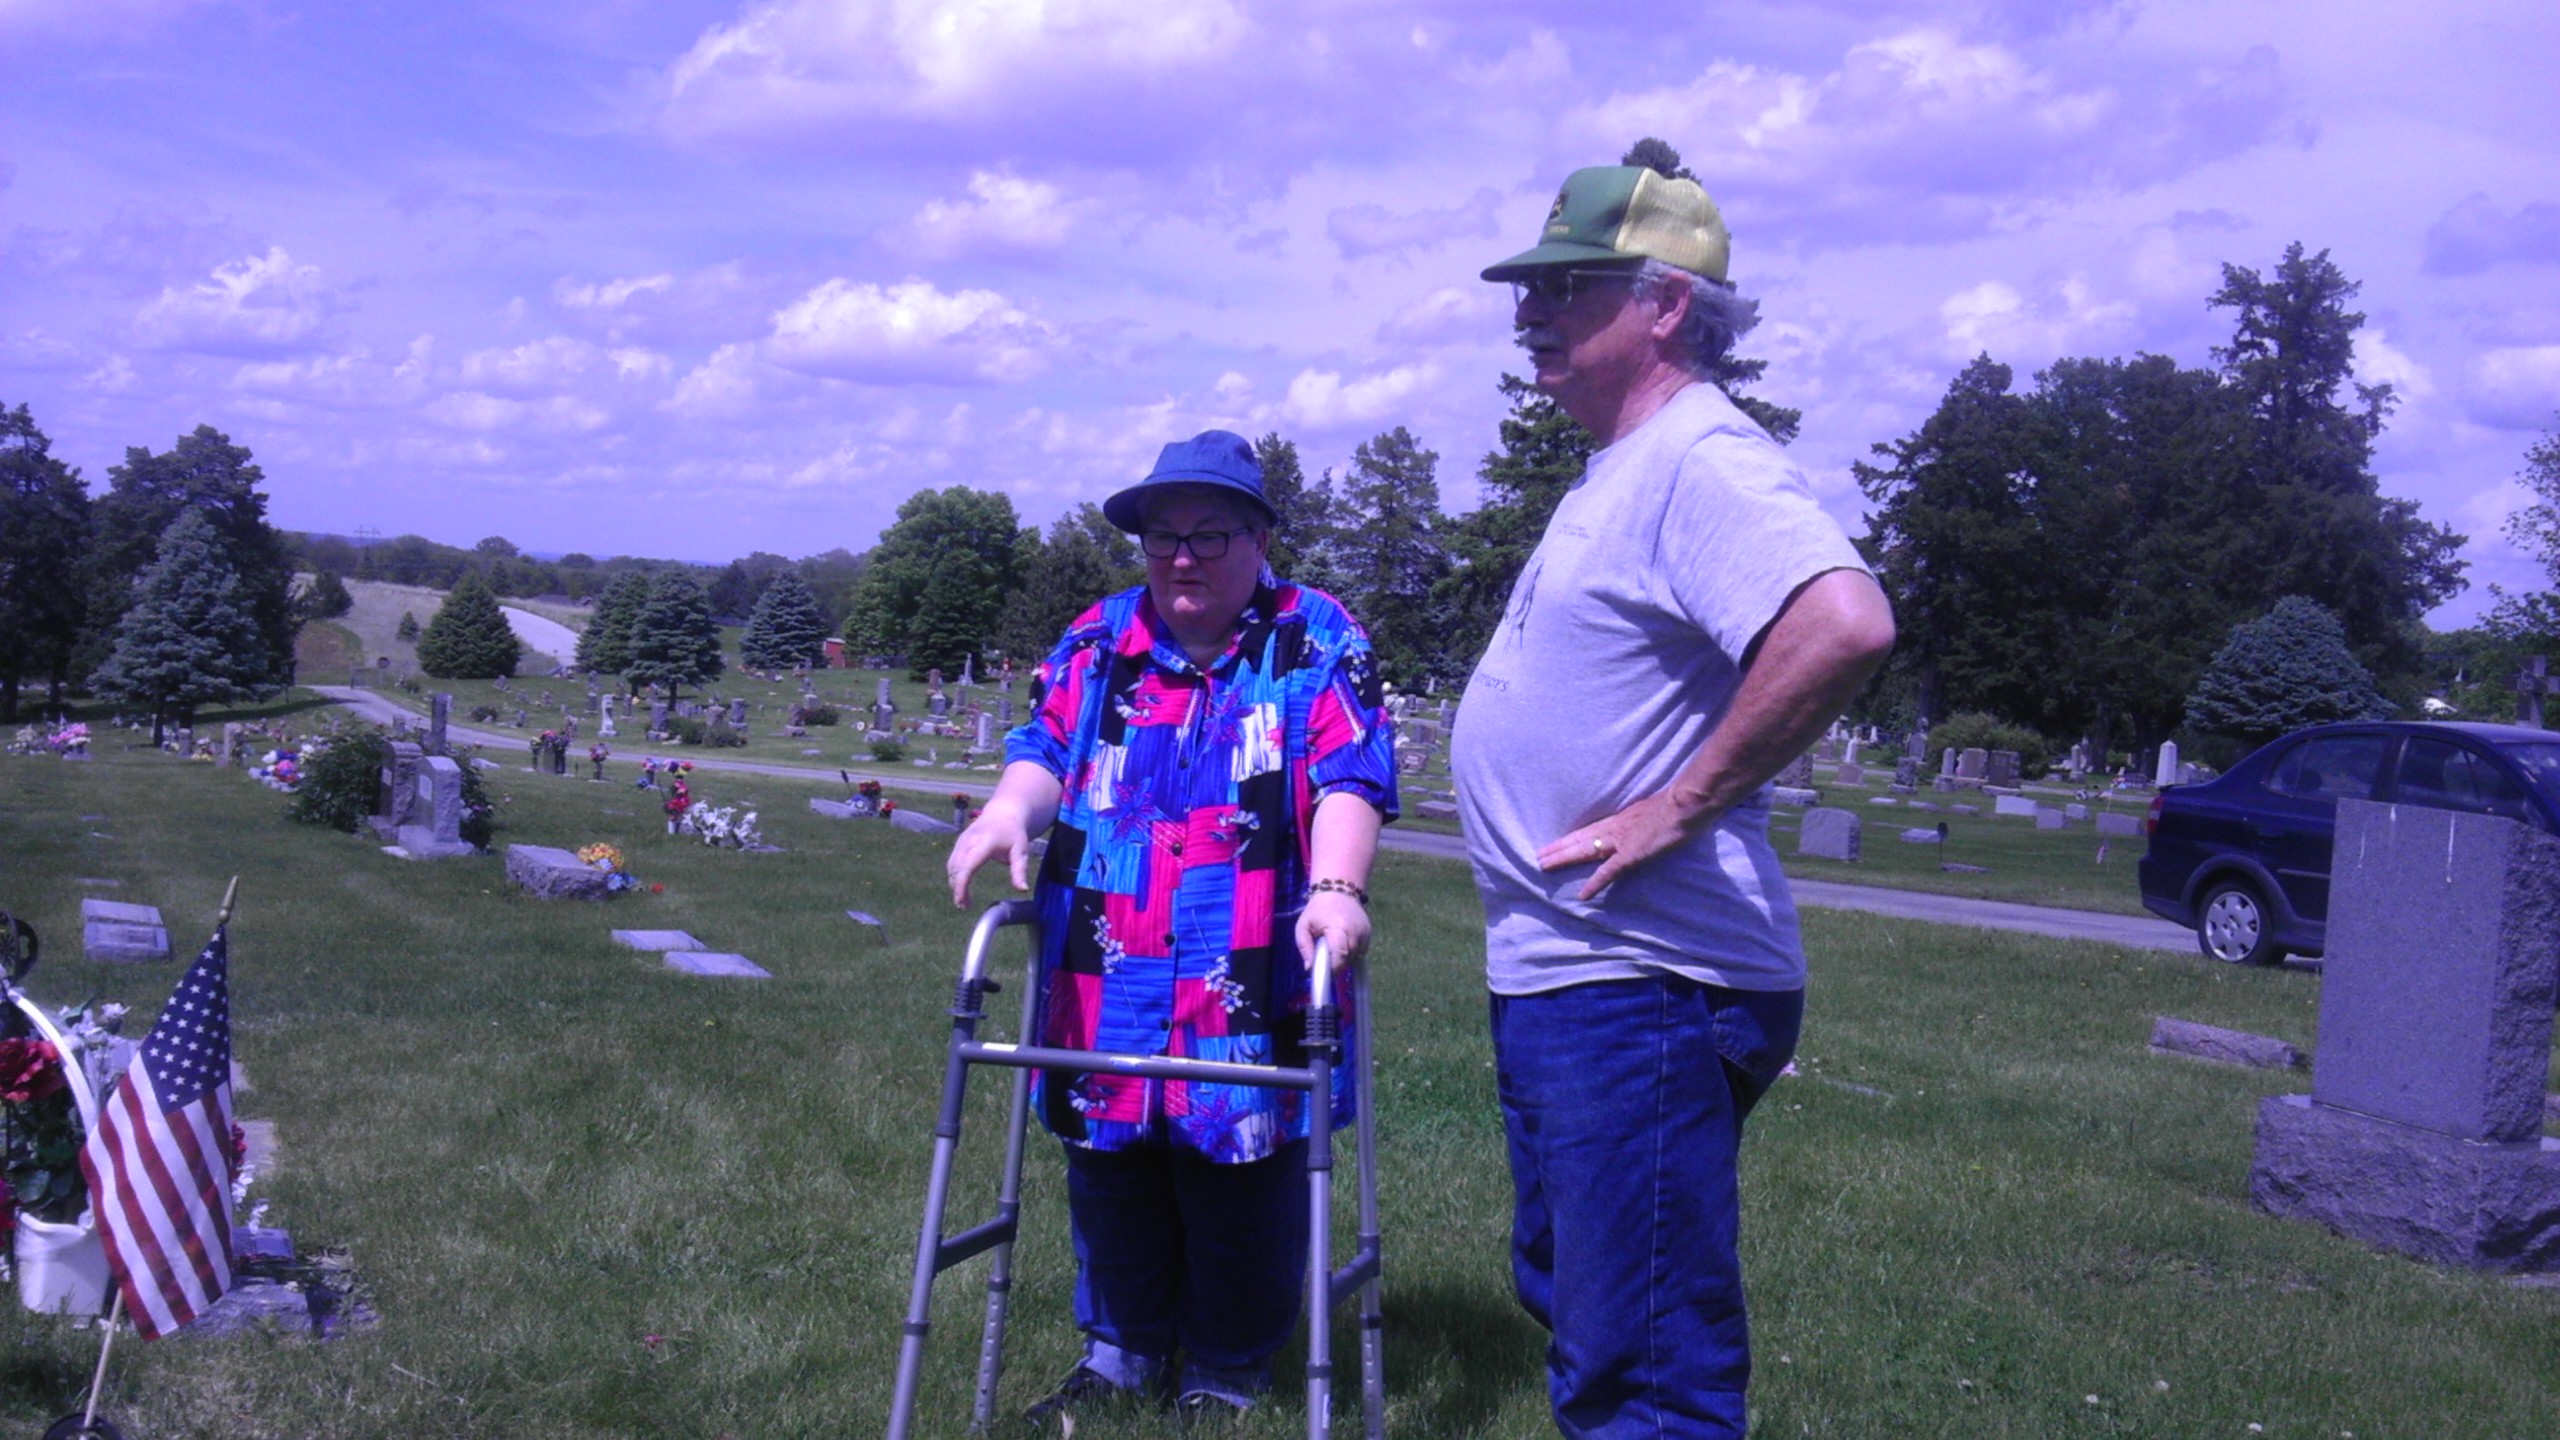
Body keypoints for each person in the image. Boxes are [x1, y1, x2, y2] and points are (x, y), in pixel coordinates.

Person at [1454, 165, 1898, 1438]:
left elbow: (1843, 622)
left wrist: (1679, 804)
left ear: (1665, 305)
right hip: (1577, 969)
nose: (1530, 313)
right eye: (1530, 290)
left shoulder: (1699, 457)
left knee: (1642, 1362)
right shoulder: (1622, 465)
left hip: (1645, 976)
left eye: (1567, 289)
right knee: (1580, 1298)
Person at [947, 430, 1398, 1422]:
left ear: (1259, 538)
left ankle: (1226, 1369)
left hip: (1246, 965)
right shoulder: (1099, 637)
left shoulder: (1314, 635)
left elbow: (1351, 773)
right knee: (1108, 1165)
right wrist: (1007, 813)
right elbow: (1043, 748)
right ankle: (1119, 1353)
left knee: (1240, 1173)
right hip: (1105, 967)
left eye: (1209, 535)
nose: (1182, 557)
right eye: (1163, 537)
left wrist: (1338, 885)